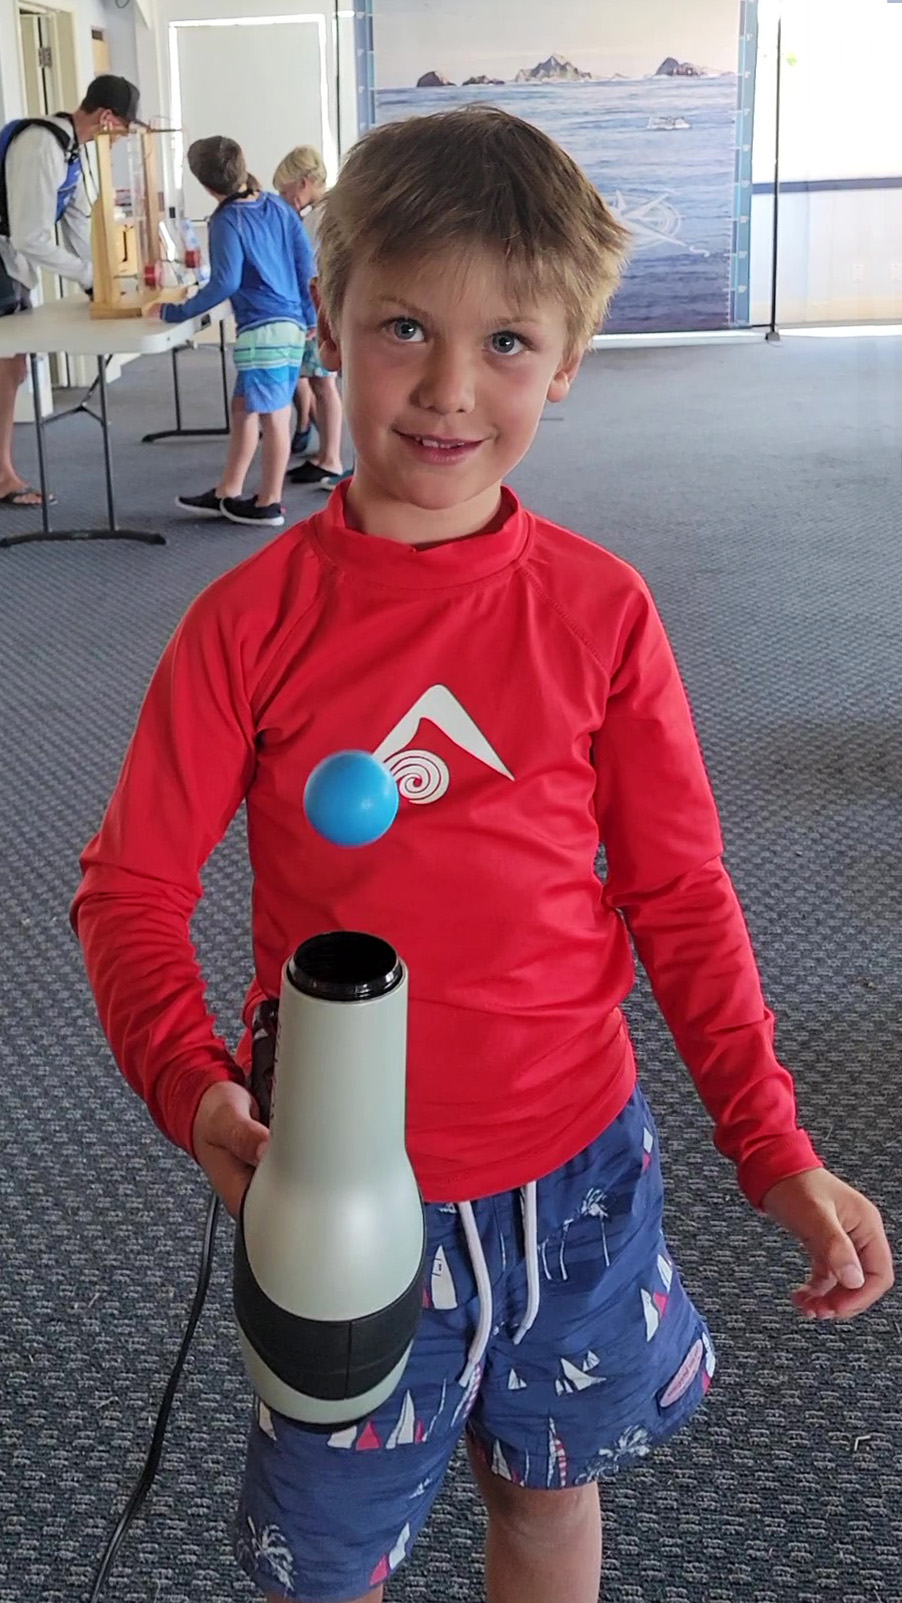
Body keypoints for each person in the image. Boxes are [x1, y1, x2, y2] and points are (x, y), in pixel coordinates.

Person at [72, 107, 893, 1603]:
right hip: (338, 1188)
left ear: (565, 360)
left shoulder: (600, 611)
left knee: (547, 1498)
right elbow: (128, 888)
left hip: (578, 1175)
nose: (450, 388)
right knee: (331, 1565)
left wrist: (769, 1139)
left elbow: (679, 893)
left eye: (507, 341)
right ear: (328, 315)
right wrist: (189, 1082)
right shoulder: (246, 625)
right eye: (404, 326)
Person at [146, 136, 316, 529]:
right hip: (289, 325)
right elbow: (304, 265)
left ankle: (269, 502)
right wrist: (309, 318)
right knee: (244, 408)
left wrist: (174, 311)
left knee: (274, 416)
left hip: (264, 330)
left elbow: (224, 283)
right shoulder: (276, 205)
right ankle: (228, 490)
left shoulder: (226, 221)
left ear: (207, 186)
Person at [0, 74, 140, 508]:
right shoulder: (41, 145)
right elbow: (29, 237)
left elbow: (78, 222)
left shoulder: (70, 148)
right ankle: (3, 475)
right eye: (123, 128)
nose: (121, 138)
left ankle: (2, 472)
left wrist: (101, 282)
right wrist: (87, 275)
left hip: (12, 266)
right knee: (6, 369)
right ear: (107, 117)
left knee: (12, 369)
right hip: (5, 261)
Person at [272, 144, 345, 484]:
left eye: (286, 190)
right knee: (319, 382)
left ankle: (330, 459)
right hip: (319, 305)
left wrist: (312, 315)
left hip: (319, 308)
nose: (285, 198)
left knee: (324, 383)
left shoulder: (320, 216)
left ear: (303, 182)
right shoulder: (323, 211)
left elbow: (313, 269)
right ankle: (325, 454)